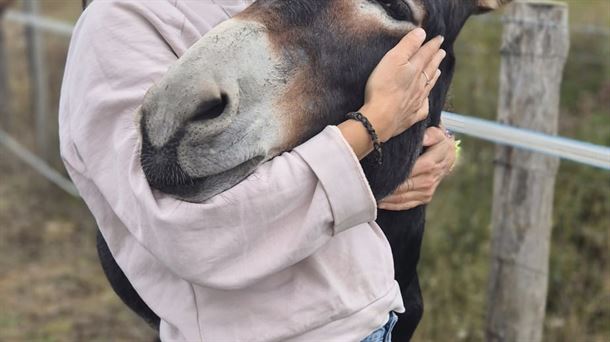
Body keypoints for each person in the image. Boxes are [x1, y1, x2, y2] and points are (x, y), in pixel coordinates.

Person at [59, 0, 456, 341]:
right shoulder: (110, 27)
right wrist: (368, 129)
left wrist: (434, 143)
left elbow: (350, 83)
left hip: (373, 317)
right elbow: (188, 233)